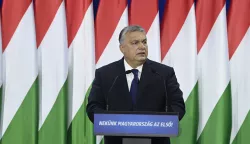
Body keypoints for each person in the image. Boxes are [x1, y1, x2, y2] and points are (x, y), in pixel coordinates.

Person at [86, 25, 185, 144]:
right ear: (122, 48)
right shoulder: (105, 74)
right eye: (135, 43)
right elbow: (93, 107)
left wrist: (160, 124)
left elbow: (177, 105)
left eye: (144, 42)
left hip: (156, 140)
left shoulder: (164, 73)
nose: (142, 46)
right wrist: (113, 123)